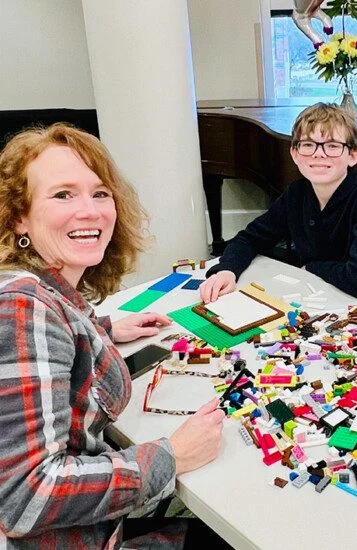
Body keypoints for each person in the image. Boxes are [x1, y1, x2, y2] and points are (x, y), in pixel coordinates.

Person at [0, 124, 227, 548]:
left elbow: (47, 350)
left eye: (100, 193)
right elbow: (24, 497)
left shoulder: (41, 292)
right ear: (19, 216)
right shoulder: (22, 306)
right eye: (62, 194)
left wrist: (100, 331)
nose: (90, 211)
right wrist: (171, 456)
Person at [199, 102, 357, 302]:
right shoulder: (297, 193)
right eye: (308, 144)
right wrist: (227, 269)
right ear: (295, 154)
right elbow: (250, 238)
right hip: (314, 291)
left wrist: (313, 267)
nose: (319, 153)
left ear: (353, 155)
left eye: (333, 145)